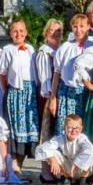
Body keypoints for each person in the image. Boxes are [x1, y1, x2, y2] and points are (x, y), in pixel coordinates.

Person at [0, 19, 39, 161]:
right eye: (15, 31)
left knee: (28, 127)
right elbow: (1, 74)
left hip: (30, 92)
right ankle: (14, 164)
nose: (18, 34)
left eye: (21, 31)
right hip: (15, 91)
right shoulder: (7, 50)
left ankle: (20, 164)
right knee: (15, 128)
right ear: (10, 33)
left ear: (26, 33)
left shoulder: (31, 49)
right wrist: (8, 90)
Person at [54, 14, 92, 128]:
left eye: (82, 26)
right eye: (75, 26)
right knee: (66, 125)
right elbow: (57, 73)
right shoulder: (65, 47)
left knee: (82, 125)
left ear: (88, 27)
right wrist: (53, 97)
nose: (78, 30)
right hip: (66, 91)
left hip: (85, 91)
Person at [37, 114, 93, 185]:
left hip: (82, 169)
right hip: (68, 168)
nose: (73, 130)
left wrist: (77, 163)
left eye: (76, 128)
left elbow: (90, 150)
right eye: (70, 127)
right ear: (65, 128)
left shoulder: (82, 138)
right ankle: (66, 177)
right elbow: (42, 148)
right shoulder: (60, 138)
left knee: (92, 153)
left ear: (81, 129)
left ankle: (83, 179)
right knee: (51, 152)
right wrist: (52, 159)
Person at [35, 18, 62, 146]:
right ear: (46, 33)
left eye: (59, 31)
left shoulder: (60, 51)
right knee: (48, 132)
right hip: (48, 96)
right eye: (52, 31)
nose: (56, 34)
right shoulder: (44, 53)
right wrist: (51, 97)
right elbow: (44, 77)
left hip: (57, 94)